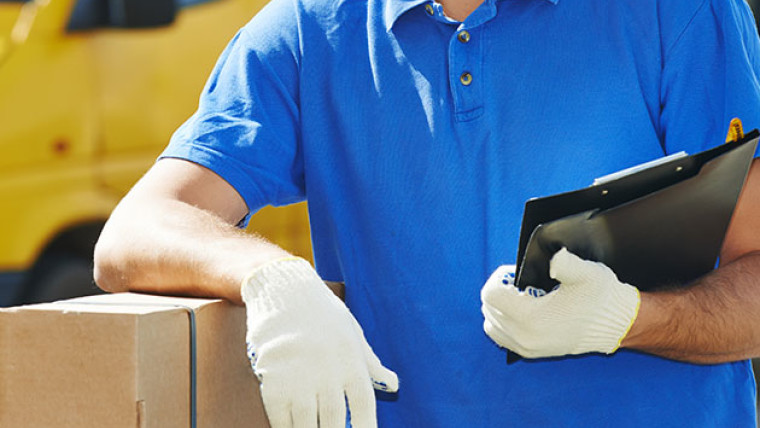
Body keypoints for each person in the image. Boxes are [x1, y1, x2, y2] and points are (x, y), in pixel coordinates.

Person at [93, 0, 760, 425]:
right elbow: (134, 232)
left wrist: (631, 320)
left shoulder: (678, 12)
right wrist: (272, 278)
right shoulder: (304, 31)